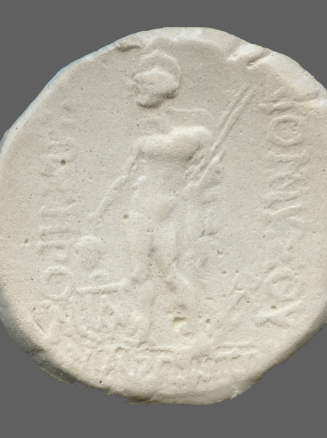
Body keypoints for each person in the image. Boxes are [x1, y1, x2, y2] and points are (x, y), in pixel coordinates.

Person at [126, 50, 214, 348]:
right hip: (144, 210)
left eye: (143, 86)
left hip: (159, 212)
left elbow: (206, 173)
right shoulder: (180, 136)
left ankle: (196, 331)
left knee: (165, 272)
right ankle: (143, 332)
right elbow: (125, 176)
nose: (136, 91)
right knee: (144, 273)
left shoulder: (188, 135)